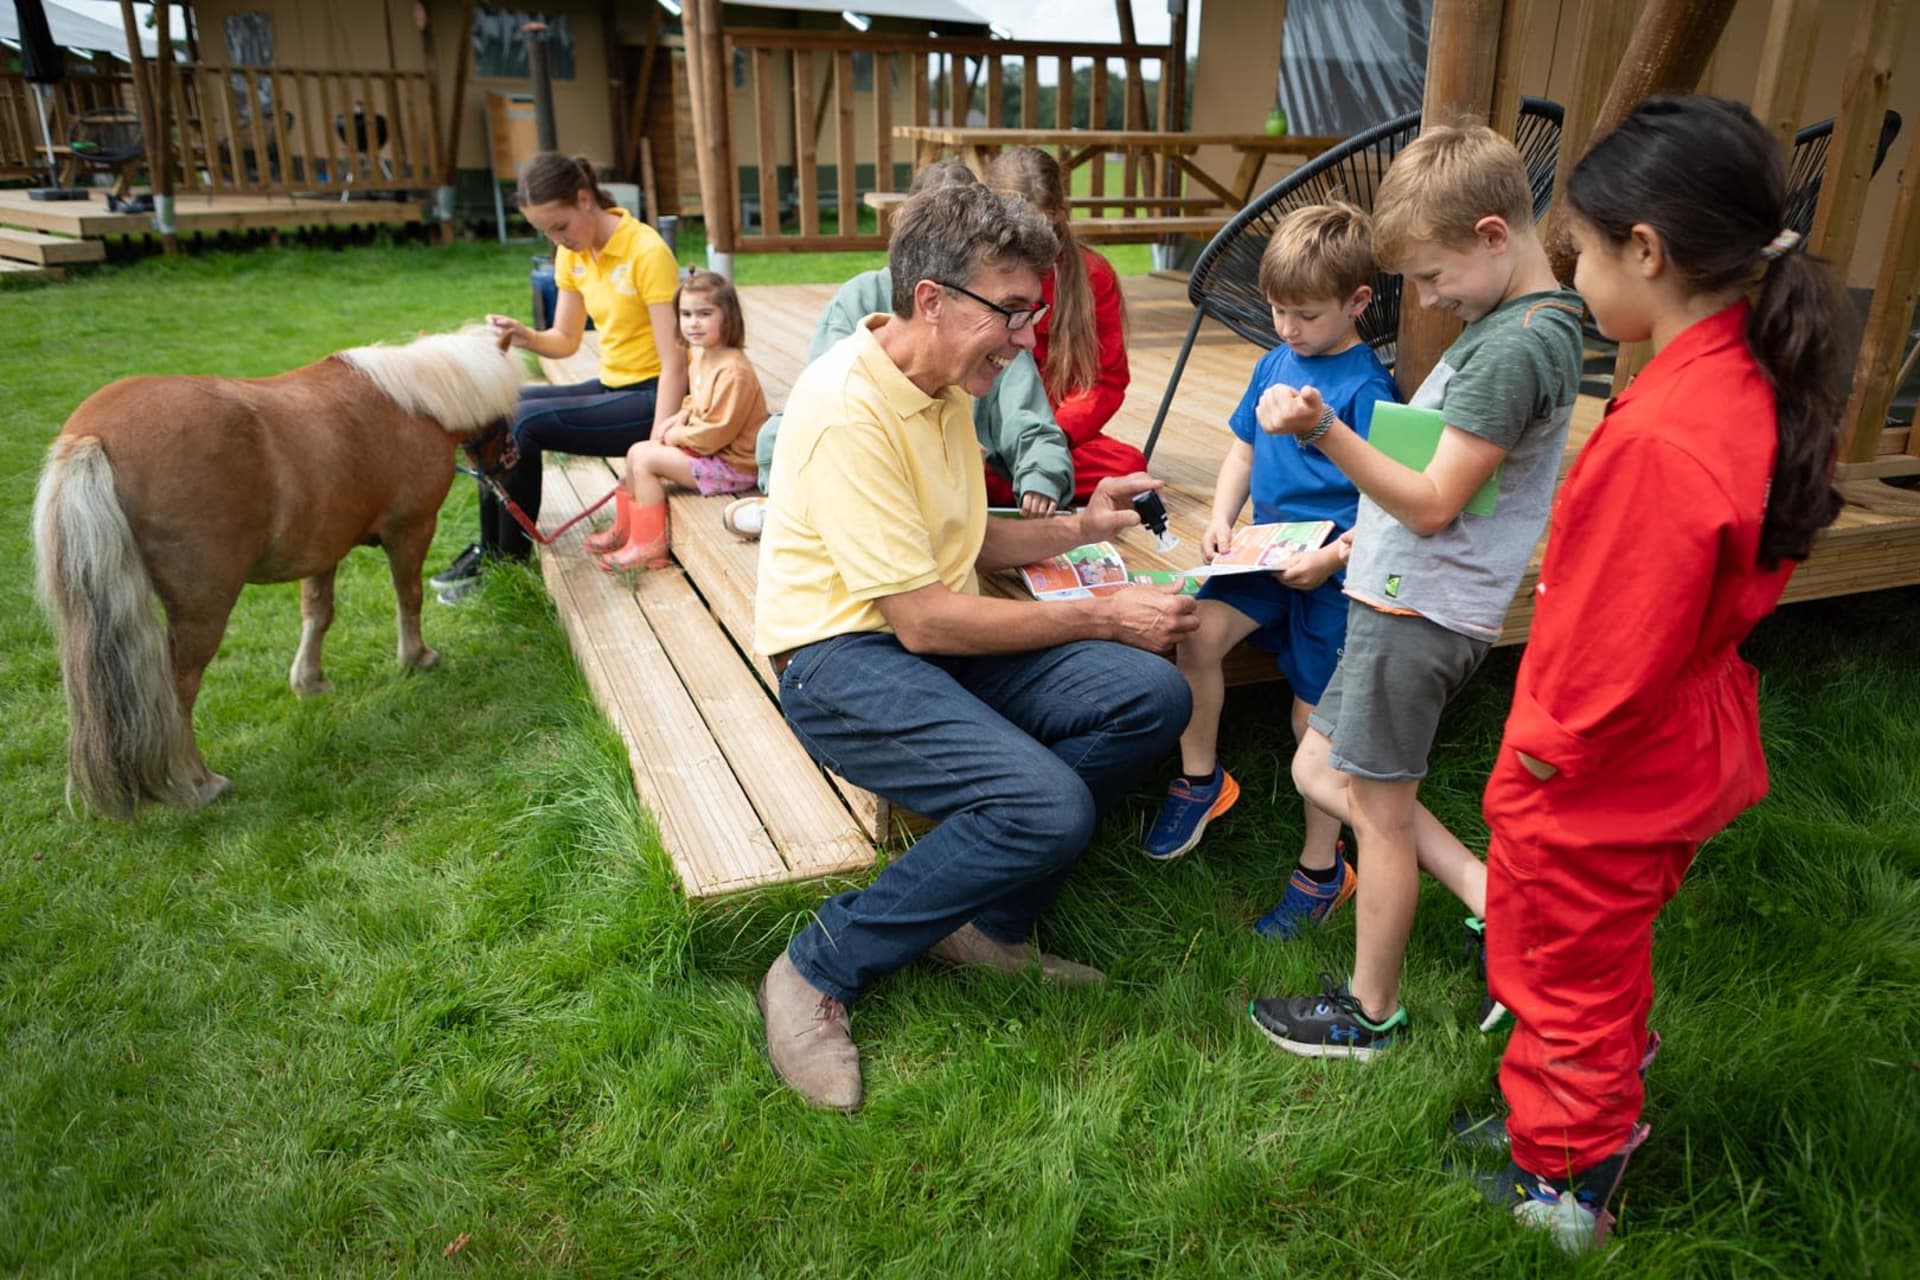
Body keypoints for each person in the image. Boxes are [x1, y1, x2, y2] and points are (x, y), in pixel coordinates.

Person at [1469, 95, 1848, 1251]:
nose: (1574, 276)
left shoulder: (1666, 433)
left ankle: (1570, 1173)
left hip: (1602, 763)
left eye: (1580, 251)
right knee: (1600, 955)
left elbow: (1608, 657)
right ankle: (1566, 1114)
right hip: (1682, 732)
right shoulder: (1738, 374)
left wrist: (1538, 762)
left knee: (1561, 965)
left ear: (1648, 250)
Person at [752, 181, 1198, 1112]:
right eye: (1011, 312)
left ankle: (989, 926)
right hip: (838, 662)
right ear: (931, 301)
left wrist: (1084, 527)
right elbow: (923, 618)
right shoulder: (847, 406)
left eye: (1031, 312)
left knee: (1150, 698)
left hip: (921, 634)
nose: (1026, 338)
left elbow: (963, 540)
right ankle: (814, 969)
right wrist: (1105, 613)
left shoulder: (943, 379)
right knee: (1047, 807)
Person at [1245, 122, 1585, 1057]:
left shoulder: (1516, 347)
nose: (1427, 299)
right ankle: (1492, 905)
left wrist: (1324, 434)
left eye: (1432, 278)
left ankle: (1369, 1013)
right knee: (1321, 764)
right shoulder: (1498, 328)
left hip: (1421, 607)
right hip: (1392, 592)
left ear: (1491, 234)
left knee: (1382, 818)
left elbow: (1435, 504)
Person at [1142, 205, 1401, 941]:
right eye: (1278, 310)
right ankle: (1201, 779)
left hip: (1333, 565)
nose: (1287, 327)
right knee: (1194, 632)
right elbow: (1242, 451)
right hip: (1265, 552)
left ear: (1357, 303)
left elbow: (1388, 502)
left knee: (1310, 722)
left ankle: (1322, 871)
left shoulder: (1366, 386)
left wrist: (1331, 557)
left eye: (1305, 314)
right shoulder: (1271, 361)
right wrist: (1221, 518)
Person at [722, 159, 1073, 540]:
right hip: (872, 456)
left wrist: (1043, 477)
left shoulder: (991, 338)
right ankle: (793, 507)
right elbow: (825, 403)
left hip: (964, 466)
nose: (1027, 338)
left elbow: (1026, 411)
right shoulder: (858, 305)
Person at [431, 151, 685, 603]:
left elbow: (675, 362)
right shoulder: (576, 253)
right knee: (499, 409)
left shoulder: (646, 251)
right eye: (544, 231)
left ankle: (507, 562)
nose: (555, 239)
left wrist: (658, 442)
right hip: (614, 387)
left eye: (559, 226)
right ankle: (488, 549)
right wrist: (523, 335)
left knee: (526, 426)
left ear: (585, 200)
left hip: (653, 397)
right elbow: (566, 339)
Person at [986, 146, 1148, 502]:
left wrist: (1051, 439)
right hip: (987, 432)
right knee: (963, 460)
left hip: (1056, 432)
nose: (1029, 236)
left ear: (1059, 214)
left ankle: (1012, 483)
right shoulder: (977, 271)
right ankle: (1018, 482)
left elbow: (1104, 380)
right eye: (1017, 226)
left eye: (1041, 223)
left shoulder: (1092, 275)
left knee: (1127, 465)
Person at [590, 270, 767, 569]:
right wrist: (678, 418)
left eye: (704, 313)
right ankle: (628, 530)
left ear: (729, 317)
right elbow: (694, 402)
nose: (693, 322)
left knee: (645, 461)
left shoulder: (733, 371)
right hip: (710, 452)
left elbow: (715, 433)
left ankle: (649, 547)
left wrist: (675, 436)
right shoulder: (704, 357)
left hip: (733, 465)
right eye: (685, 314)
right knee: (637, 450)